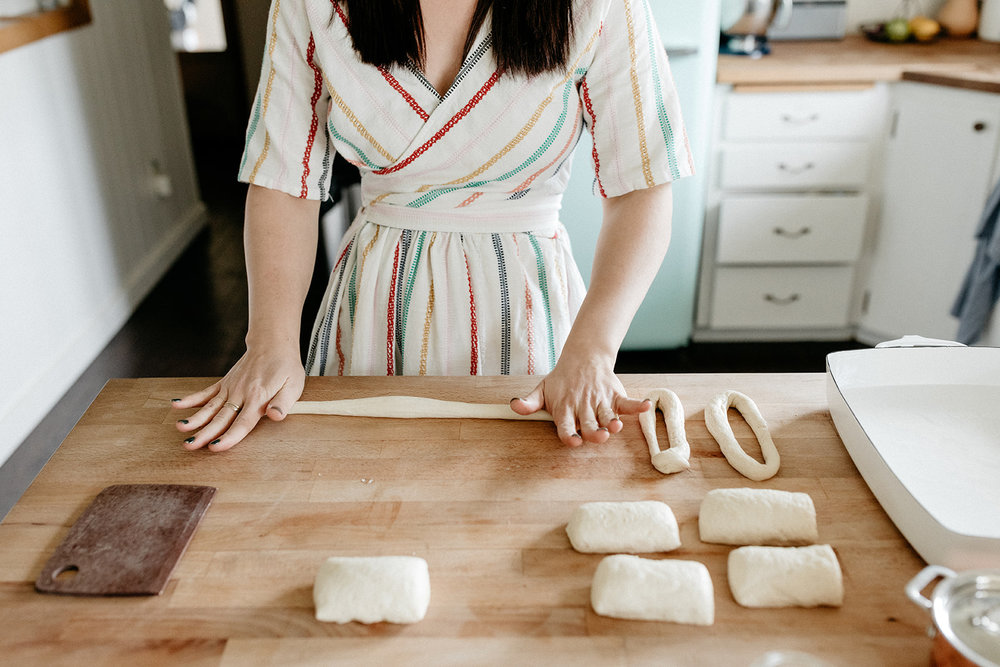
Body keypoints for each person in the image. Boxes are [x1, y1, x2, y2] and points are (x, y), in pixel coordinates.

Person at [173, 0, 693, 451]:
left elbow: (642, 186)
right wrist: (270, 339)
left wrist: (594, 350)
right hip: (374, 304)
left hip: (533, 308)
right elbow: (284, 181)